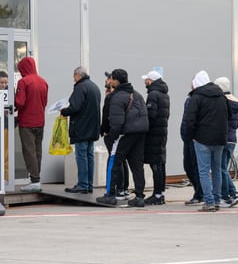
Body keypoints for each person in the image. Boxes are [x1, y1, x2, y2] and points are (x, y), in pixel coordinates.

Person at [98, 69, 149, 207]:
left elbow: (117, 122)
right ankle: (139, 197)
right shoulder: (137, 94)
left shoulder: (117, 97)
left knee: (114, 162)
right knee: (137, 165)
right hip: (140, 133)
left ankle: (110, 194)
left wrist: (112, 136)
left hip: (124, 134)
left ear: (115, 80)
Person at [183, 71, 230, 212]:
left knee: (204, 171)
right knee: (216, 170)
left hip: (202, 139)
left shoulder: (196, 97)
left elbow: (190, 120)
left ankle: (208, 201)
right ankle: (216, 200)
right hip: (220, 139)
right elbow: (229, 115)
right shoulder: (221, 96)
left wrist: (191, 136)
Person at [60, 66, 102, 195]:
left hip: (82, 128)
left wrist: (64, 111)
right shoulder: (94, 87)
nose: (73, 79)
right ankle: (88, 184)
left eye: (74, 76)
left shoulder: (80, 87)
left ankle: (83, 184)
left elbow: (75, 107)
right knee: (89, 156)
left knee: (81, 156)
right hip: (92, 128)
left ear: (78, 75)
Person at [14, 56, 48, 193]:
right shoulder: (43, 82)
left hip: (27, 122)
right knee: (37, 151)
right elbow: (44, 102)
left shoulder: (24, 82)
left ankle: (34, 181)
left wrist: (14, 102)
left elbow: (20, 103)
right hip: (40, 121)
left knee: (29, 151)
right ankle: (37, 179)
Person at [142, 70, 170, 205]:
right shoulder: (165, 94)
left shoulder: (153, 94)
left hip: (154, 133)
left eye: (146, 80)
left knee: (155, 164)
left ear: (151, 81)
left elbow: (151, 115)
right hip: (162, 132)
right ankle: (161, 193)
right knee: (160, 163)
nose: (145, 82)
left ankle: (157, 195)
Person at [215, 77, 238, 207]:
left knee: (221, 168)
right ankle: (232, 194)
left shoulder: (221, 101)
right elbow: (236, 124)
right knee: (223, 167)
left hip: (223, 138)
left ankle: (229, 194)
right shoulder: (235, 101)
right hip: (232, 139)